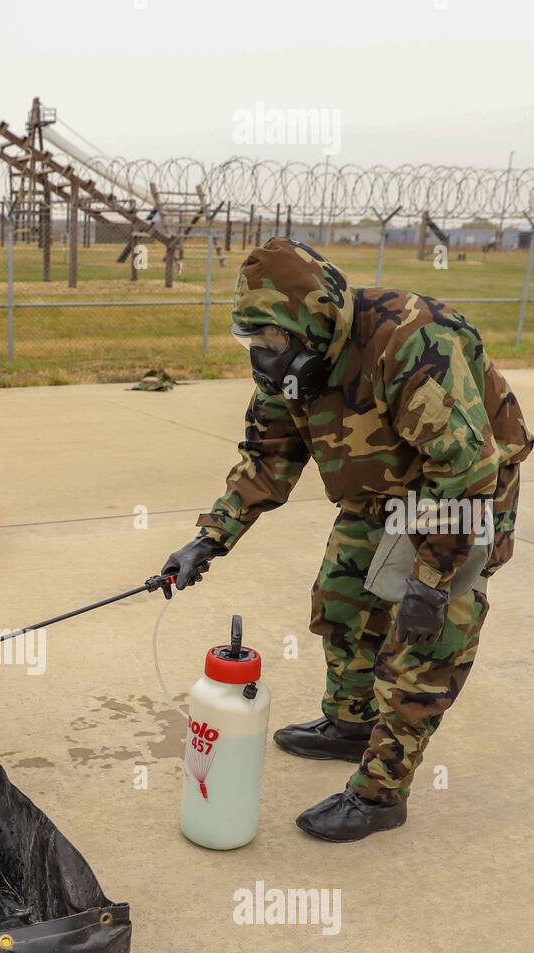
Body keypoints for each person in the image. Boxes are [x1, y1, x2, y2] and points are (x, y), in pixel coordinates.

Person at [162, 238, 529, 841]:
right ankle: (351, 724)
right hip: (378, 494)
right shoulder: (290, 366)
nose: (264, 355)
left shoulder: (411, 339)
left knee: (425, 644)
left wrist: (430, 583)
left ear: (317, 319)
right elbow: (268, 456)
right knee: (342, 602)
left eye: (273, 341)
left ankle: (381, 794)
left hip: (461, 496)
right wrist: (209, 539)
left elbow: (465, 470)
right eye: (253, 342)